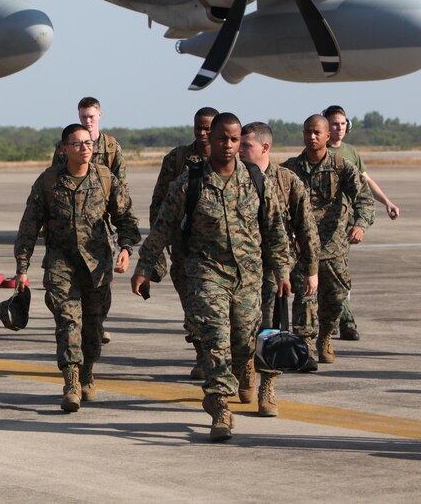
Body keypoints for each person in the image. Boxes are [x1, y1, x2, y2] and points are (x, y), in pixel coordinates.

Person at [132, 113, 291, 442]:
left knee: (243, 343)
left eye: (234, 139)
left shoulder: (256, 180)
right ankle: (220, 407)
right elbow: (163, 225)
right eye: (222, 138)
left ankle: (240, 373)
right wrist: (145, 267)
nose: (228, 145)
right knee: (215, 338)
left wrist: (282, 270)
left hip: (248, 276)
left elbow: (275, 229)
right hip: (206, 273)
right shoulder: (191, 181)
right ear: (210, 139)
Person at [13, 123, 140, 412]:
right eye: (78, 143)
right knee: (68, 322)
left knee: (93, 328)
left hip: (97, 266)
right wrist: (22, 267)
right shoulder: (48, 181)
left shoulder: (105, 179)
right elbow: (29, 227)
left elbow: (126, 219)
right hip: (61, 264)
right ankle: (71, 383)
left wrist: (125, 248)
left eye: (88, 143)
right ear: (64, 149)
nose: (85, 148)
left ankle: (87, 374)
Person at [238, 122, 320, 415]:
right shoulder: (234, 177)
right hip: (240, 269)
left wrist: (311, 269)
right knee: (242, 328)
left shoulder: (287, 180)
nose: (239, 149)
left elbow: (306, 227)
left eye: (245, 145)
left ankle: (268, 386)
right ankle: (246, 367)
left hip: (275, 270)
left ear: (265, 147)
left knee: (272, 328)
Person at [282, 115, 374, 365]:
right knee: (304, 299)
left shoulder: (342, 167)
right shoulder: (289, 169)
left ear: (327, 136)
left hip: (333, 247)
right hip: (302, 248)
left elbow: (364, 198)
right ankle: (305, 348)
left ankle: (325, 337)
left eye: (316, 132)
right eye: (307, 132)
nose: (311, 137)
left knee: (336, 297)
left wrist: (360, 225)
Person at [147, 106, 218, 378]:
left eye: (208, 128)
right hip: (183, 248)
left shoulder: (229, 159)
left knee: (217, 308)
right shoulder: (177, 159)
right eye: (199, 127)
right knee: (192, 306)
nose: (203, 133)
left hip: (218, 251)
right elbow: (159, 204)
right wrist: (156, 250)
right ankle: (202, 354)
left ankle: (218, 357)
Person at [50, 96, 126, 344]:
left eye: (91, 116)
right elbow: (55, 180)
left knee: (101, 279)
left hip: (101, 223)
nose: (88, 120)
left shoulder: (111, 148)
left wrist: (121, 228)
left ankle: (96, 323)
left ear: (99, 116)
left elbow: (121, 187)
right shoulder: (66, 146)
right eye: (83, 116)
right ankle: (78, 324)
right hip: (71, 223)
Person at [324, 104, 399, 341]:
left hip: (342, 225)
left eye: (343, 123)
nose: (339, 128)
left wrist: (387, 202)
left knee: (340, 274)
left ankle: (343, 322)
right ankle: (333, 321)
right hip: (318, 225)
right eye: (335, 124)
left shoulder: (351, 152)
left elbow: (366, 182)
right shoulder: (317, 151)